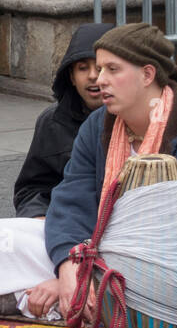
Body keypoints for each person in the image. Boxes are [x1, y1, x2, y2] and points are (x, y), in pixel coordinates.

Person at [44, 23, 177, 321]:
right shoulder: (96, 126)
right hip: (97, 249)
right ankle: (72, 289)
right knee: (0, 237)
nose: (99, 79)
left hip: (172, 260)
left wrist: (89, 273)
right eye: (98, 68)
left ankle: (75, 293)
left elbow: (173, 236)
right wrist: (69, 266)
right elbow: (71, 200)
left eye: (112, 69)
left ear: (147, 74)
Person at [13, 23, 114, 219]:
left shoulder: (138, 117)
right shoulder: (52, 122)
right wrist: (38, 215)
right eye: (83, 68)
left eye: (101, 68)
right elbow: (33, 189)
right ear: (71, 77)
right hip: (68, 224)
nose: (93, 76)